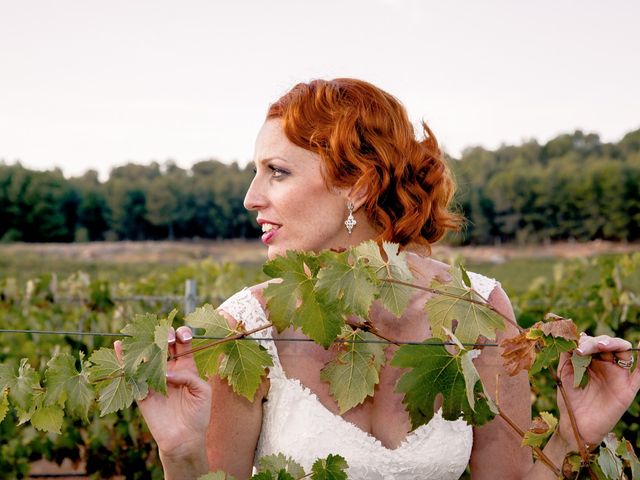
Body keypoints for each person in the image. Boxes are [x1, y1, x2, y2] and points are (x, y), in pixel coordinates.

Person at [123, 78, 640, 479]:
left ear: (357, 184)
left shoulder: (477, 307)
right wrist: (180, 452)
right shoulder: (246, 329)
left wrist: (572, 437)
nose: (250, 197)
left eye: (277, 171)